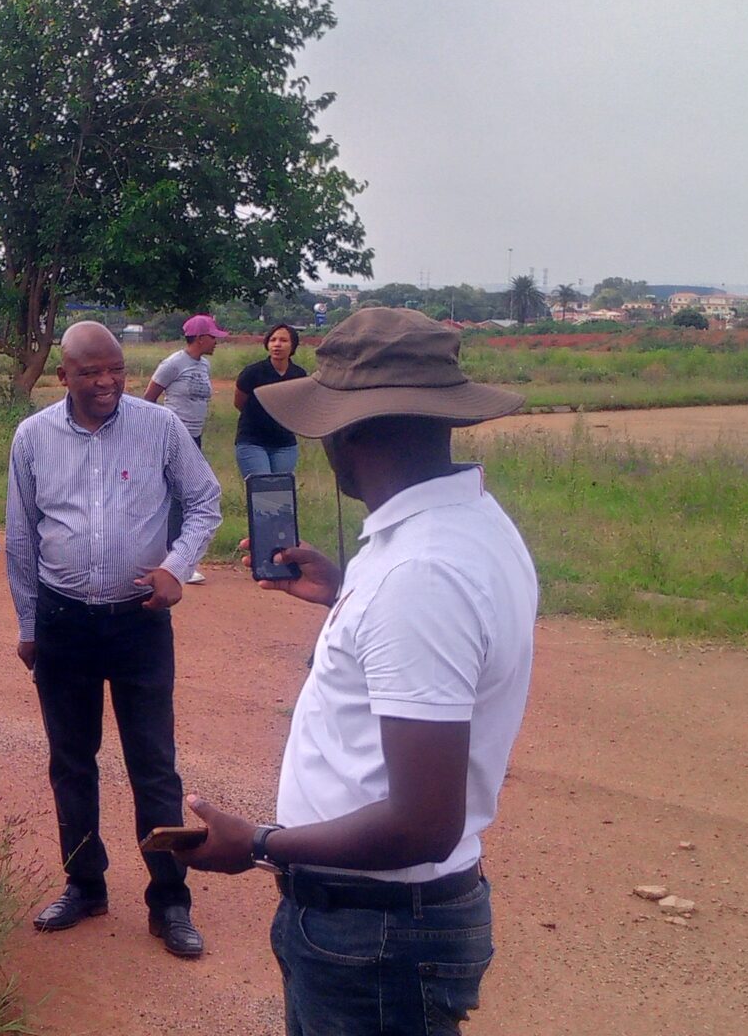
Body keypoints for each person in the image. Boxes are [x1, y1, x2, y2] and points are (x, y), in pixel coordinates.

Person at [163, 308, 535, 1035]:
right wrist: (347, 596)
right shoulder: (469, 527)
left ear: (349, 432)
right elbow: (450, 643)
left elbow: (424, 823)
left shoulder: (419, 573)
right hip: (393, 921)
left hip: (376, 933)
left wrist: (261, 845)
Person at [5, 320, 222, 960]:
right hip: (63, 620)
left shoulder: (159, 428)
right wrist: (28, 625)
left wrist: (176, 568)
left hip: (139, 619)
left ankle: (170, 900)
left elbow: (204, 500)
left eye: (115, 371)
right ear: (64, 375)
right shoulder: (33, 437)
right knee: (71, 762)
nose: (105, 383)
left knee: (154, 766)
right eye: (91, 372)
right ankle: (85, 884)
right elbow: (21, 539)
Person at [146, 313, 224, 583]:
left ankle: (177, 557)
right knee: (179, 497)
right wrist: (158, 432)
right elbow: (149, 399)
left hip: (195, 437)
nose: (217, 342)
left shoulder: (203, 366)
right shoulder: (173, 364)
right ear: (200, 338)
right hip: (174, 437)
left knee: (189, 494)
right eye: (213, 337)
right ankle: (175, 560)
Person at [232, 324, 310, 478]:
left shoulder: (299, 374)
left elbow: (300, 406)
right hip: (252, 441)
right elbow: (239, 402)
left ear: (293, 346)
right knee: (261, 489)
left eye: (283, 340)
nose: (277, 344)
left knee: (281, 491)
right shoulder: (253, 372)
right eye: (273, 340)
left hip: (284, 443)